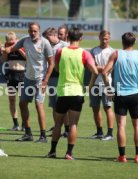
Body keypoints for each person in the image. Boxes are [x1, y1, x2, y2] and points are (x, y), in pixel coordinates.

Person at [102, 32, 138, 163]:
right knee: (137, 126)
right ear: (134, 42)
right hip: (136, 95)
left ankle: (122, 156)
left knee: (121, 126)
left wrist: (108, 89)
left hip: (120, 95)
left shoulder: (116, 54)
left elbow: (104, 72)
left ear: (122, 42)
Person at [46, 28, 98, 160]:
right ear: (81, 38)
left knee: (58, 124)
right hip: (77, 92)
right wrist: (89, 86)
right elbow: (95, 72)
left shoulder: (60, 51)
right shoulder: (84, 53)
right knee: (73, 124)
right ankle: (69, 153)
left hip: (63, 91)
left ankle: (52, 151)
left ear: (67, 37)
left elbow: (57, 68)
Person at [4, 22, 54, 143]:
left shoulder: (45, 43)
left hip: (40, 79)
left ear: (39, 31)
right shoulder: (24, 41)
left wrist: (45, 80)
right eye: (30, 31)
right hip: (27, 78)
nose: (32, 33)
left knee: (38, 105)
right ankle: (28, 133)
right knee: (22, 104)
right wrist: (2, 49)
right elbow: (11, 49)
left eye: (35, 31)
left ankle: (43, 136)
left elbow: (52, 63)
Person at [42, 27, 70, 137]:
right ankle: (57, 128)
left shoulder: (64, 46)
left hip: (62, 78)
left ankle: (67, 130)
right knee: (54, 104)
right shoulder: (45, 45)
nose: (47, 40)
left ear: (54, 35)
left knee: (63, 104)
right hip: (51, 77)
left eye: (48, 38)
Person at [89, 30, 115, 140]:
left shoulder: (113, 52)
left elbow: (110, 70)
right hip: (95, 83)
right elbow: (92, 67)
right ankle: (99, 131)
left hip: (107, 84)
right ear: (99, 37)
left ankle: (110, 133)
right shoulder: (93, 50)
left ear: (109, 39)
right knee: (95, 108)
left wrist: (100, 68)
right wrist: (102, 68)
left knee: (107, 107)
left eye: (107, 39)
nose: (104, 41)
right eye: (103, 38)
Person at [0, 31, 26, 131]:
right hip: (11, 75)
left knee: (23, 101)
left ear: (16, 39)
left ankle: (24, 124)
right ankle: (15, 124)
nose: (10, 42)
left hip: (22, 75)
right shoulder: (7, 47)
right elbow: (2, 60)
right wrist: (6, 51)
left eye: (12, 40)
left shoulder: (22, 46)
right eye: (8, 40)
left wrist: (18, 48)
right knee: (11, 100)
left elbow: (27, 58)